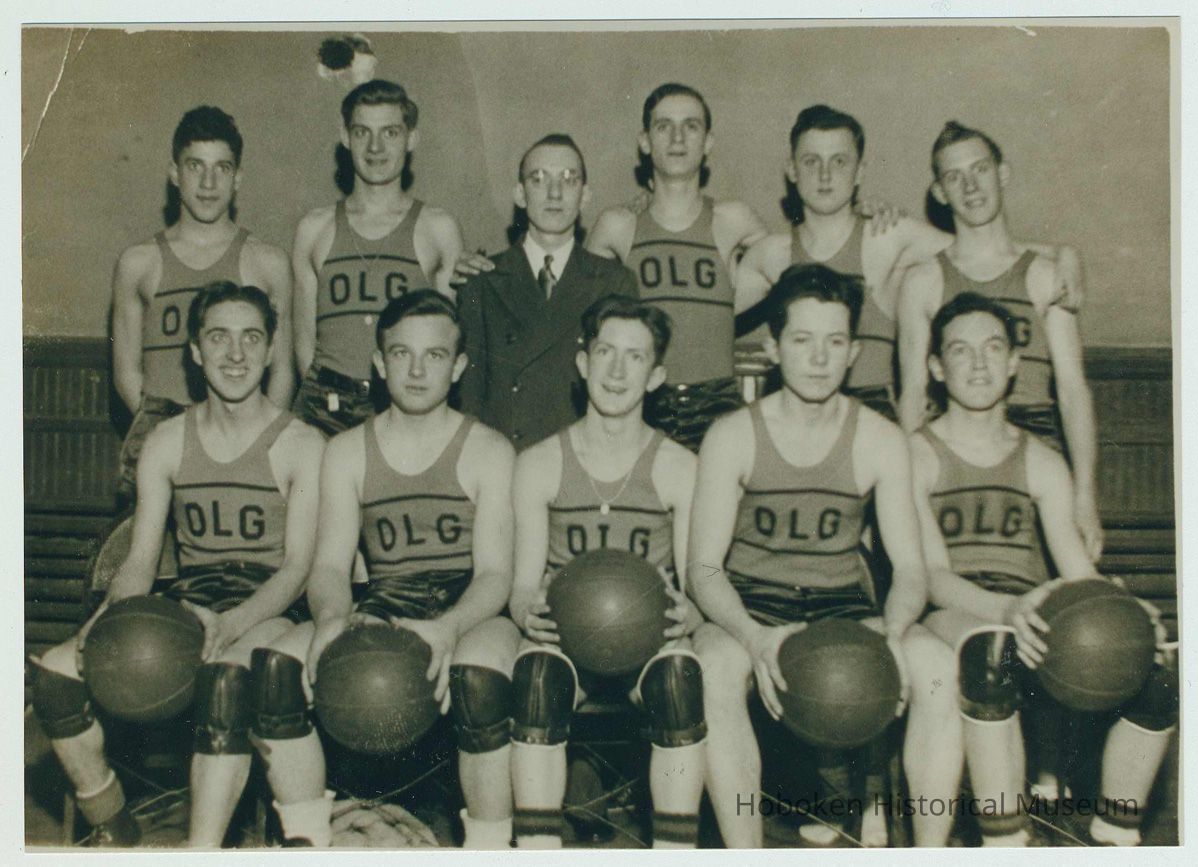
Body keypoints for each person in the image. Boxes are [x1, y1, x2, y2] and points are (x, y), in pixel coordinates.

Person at [31, 282, 324, 847]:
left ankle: (201, 849)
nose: (235, 355)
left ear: (270, 352)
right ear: (194, 352)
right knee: (58, 676)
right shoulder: (166, 440)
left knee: (225, 683)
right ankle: (114, 825)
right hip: (190, 600)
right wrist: (100, 627)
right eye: (219, 338)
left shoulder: (302, 444)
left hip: (272, 609)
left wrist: (232, 624)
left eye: (251, 338)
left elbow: (298, 570)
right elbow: (141, 560)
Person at [687, 264, 960, 848]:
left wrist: (891, 628)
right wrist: (754, 637)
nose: (818, 358)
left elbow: (911, 569)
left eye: (834, 342)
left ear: (853, 351)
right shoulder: (731, 435)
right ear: (772, 348)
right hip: (752, 605)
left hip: (843, 605)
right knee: (713, 670)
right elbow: (704, 569)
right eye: (802, 340)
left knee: (935, 667)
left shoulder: (881, 438)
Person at [912, 292, 1176, 847]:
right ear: (936, 367)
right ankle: (1006, 837)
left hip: (1030, 609)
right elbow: (930, 576)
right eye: (960, 351)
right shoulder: (914, 453)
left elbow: (1077, 572)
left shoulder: (1041, 459)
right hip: (947, 612)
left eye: (993, 348)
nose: (979, 363)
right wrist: (1008, 611)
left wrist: (1127, 613)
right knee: (991, 648)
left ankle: (1116, 830)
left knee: (1156, 663)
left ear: (1014, 362)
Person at [301, 290, 521, 849]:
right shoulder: (347, 450)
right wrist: (331, 617)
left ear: (459, 366)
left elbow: (496, 574)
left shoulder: (490, 449)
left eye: (435, 356)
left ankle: (491, 847)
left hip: (468, 605)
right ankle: (302, 841)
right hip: (388, 600)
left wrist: (448, 628)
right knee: (282, 672)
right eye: (401, 354)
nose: (417, 370)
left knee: (477, 677)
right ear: (379, 363)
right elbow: (328, 563)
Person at [737, 105, 1082, 423]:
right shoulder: (769, 255)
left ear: (860, 172)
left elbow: (981, 249)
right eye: (812, 161)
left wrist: (1062, 253)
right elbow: (703, 318)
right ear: (792, 170)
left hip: (873, 413)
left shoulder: (892, 235)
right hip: (793, 412)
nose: (825, 175)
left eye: (839, 161)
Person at [507, 295, 705, 848]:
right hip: (567, 639)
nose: (617, 371)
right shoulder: (539, 463)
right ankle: (538, 851)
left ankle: (675, 850)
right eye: (605, 352)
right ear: (582, 362)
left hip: (647, 644)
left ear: (657, 374)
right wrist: (528, 613)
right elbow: (522, 586)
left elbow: (696, 584)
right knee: (537, 681)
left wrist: (690, 609)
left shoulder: (680, 467)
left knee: (679, 682)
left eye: (635, 357)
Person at [896, 121, 1102, 560]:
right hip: (955, 447)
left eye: (980, 170)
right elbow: (913, 392)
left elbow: (1072, 389)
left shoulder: (1047, 276)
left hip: (1035, 446)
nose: (971, 187)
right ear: (939, 192)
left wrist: (1084, 494)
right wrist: (903, 495)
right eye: (954, 177)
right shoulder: (924, 281)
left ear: (1002, 174)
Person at [111, 107, 294, 502]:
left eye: (222, 168)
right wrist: (171, 433)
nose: (208, 183)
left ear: (237, 178)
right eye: (195, 166)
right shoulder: (138, 262)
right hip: (160, 435)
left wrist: (253, 435)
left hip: (241, 434)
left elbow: (282, 370)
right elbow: (127, 373)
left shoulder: (267, 262)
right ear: (175, 173)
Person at [584, 83, 769, 449]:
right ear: (644, 141)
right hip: (643, 406)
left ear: (708, 142)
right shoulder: (617, 226)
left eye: (691, 126)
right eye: (664, 126)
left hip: (719, 408)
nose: (678, 137)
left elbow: (803, 263)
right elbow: (581, 315)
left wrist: (866, 215)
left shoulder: (734, 220)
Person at [292, 79, 465, 436]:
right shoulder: (314, 228)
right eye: (362, 132)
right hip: (324, 407)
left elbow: (446, 339)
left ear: (411, 138)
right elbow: (304, 344)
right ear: (344, 136)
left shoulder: (438, 228)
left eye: (389, 132)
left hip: (401, 403)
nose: (375, 147)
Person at [457, 134, 639, 449]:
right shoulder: (483, 280)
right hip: (504, 458)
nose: (554, 193)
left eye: (569, 180)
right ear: (520, 194)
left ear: (585, 195)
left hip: (583, 459)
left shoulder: (614, 281)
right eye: (538, 179)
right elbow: (470, 397)